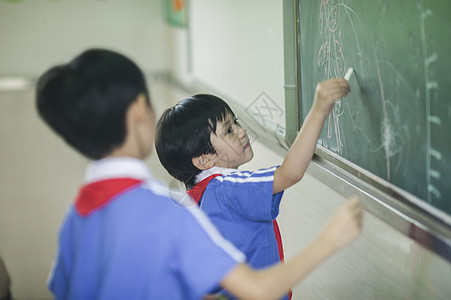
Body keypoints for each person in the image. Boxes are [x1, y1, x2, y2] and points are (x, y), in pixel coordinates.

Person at [37, 48, 362, 300]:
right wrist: (329, 240)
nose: (240, 132)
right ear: (139, 112)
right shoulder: (165, 211)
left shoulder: (77, 216)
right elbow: (257, 290)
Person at [156, 79, 352, 299]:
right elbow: (290, 173)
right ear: (203, 160)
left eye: (236, 122)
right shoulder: (227, 188)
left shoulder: (196, 197)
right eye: (228, 130)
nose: (240, 132)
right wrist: (319, 110)